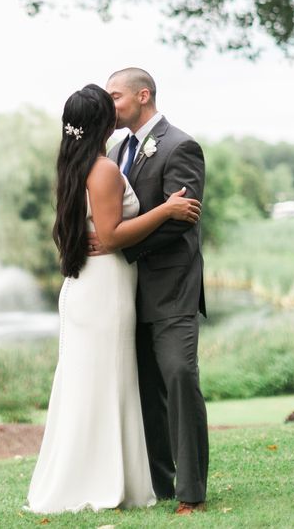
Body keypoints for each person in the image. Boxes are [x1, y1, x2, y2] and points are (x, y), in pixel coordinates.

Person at [27, 83, 201, 514]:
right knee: (103, 385)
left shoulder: (76, 164)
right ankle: (102, 481)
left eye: (117, 94)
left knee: (92, 384)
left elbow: (93, 230)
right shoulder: (104, 167)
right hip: (104, 287)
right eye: (110, 103)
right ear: (103, 120)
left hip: (93, 286)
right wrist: (164, 209)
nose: (115, 106)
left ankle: (97, 477)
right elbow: (109, 236)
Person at [102, 67, 209, 515]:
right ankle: (159, 485)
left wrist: (121, 245)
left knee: (179, 378)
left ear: (142, 95)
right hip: (125, 294)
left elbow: (181, 219)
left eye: (115, 97)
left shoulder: (179, 145)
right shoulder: (113, 149)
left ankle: (191, 493)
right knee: (144, 389)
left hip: (171, 288)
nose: (110, 105)